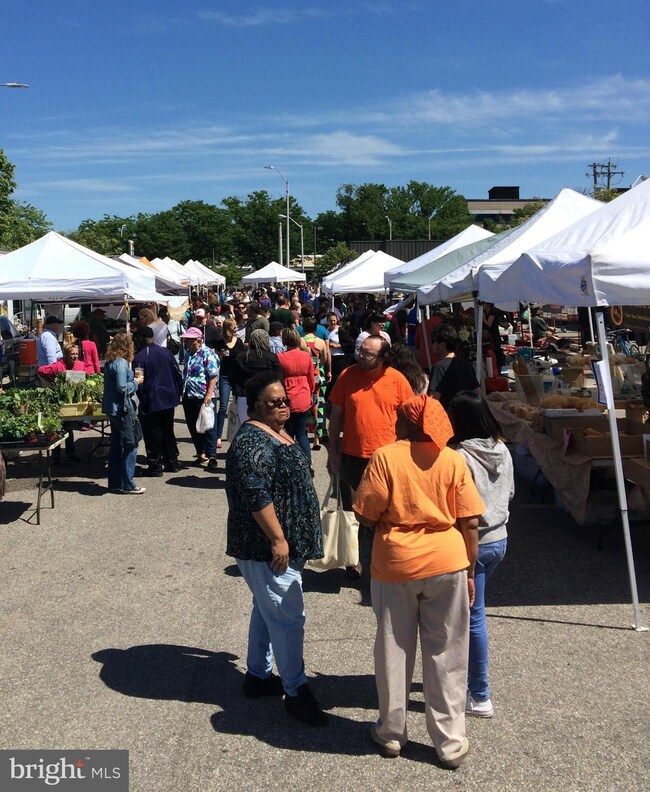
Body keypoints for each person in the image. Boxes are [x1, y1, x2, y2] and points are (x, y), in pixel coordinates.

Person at [353, 394, 484, 769]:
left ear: (408, 423)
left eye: (399, 417)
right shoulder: (453, 459)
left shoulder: (385, 457)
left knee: (393, 650)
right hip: (448, 562)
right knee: (448, 651)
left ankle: (391, 734)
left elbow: (366, 513)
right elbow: (471, 522)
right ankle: (450, 742)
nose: (394, 422)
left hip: (396, 564)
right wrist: (469, 571)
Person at [225, 371, 326, 727]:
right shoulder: (252, 442)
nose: (283, 406)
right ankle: (296, 691)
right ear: (255, 406)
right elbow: (256, 495)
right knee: (286, 617)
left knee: (266, 610)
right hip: (265, 548)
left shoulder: (275, 431)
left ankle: (257, 675)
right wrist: (278, 539)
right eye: (274, 402)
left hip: (278, 546)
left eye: (285, 400)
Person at [448, 391, 514, 719]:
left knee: (473, 617)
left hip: (474, 543)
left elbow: (461, 510)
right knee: (472, 614)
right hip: (500, 538)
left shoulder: (459, 456)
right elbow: (511, 492)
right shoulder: (503, 448)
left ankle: (480, 693)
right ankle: (470, 683)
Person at [328, 336, 414, 578]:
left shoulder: (397, 380)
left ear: (383, 358)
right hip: (352, 456)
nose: (361, 356)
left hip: (387, 460)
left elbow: (409, 418)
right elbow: (336, 416)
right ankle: (353, 560)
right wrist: (332, 451)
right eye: (361, 351)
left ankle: (383, 562)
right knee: (352, 513)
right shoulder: (347, 375)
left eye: (368, 354)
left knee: (386, 513)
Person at [133, 326, 183, 476]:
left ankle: (155, 466)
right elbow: (178, 373)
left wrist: (143, 400)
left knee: (153, 433)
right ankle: (172, 462)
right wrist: (177, 393)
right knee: (168, 431)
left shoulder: (140, 357)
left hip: (152, 400)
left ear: (140, 339)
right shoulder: (166, 352)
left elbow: (139, 381)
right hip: (168, 399)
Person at [102, 332, 145, 494]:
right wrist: (136, 382)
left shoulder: (110, 362)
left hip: (112, 407)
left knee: (116, 445)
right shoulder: (120, 362)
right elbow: (122, 387)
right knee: (130, 443)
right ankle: (128, 484)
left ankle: (115, 483)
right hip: (122, 408)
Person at [180, 326, 219, 469]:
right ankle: (201, 453)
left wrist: (209, 394)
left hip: (204, 395)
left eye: (189, 340)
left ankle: (212, 455)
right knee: (194, 426)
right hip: (189, 394)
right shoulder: (188, 354)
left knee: (208, 425)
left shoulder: (207, 353)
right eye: (186, 340)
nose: (186, 342)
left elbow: (213, 375)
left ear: (198, 340)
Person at [278, 329, 315, 464]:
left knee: (287, 432)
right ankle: (307, 462)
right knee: (301, 432)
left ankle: (290, 463)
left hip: (288, 397)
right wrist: (310, 393)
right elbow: (311, 379)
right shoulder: (306, 356)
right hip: (303, 395)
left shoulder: (280, 357)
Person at [232, 329, 282, 426]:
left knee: (246, 426)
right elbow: (278, 378)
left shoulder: (240, 357)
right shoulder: (271, 357)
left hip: (244, 397)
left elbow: (235, 378)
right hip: (267, 398)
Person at [427, 325, 480, 411]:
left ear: (442, 344)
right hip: (466, 414)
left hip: (447, 415)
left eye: (433, 342)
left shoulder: (439, 367)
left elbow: (433, 400)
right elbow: (477, 393)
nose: (431, 345)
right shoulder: (466, 365)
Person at [214, 318, 245, 449]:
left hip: (237, 377)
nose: (236, 330)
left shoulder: (239, 342)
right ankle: (218, 436)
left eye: (236, 327)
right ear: (227, 329)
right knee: (223, 406)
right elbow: (216, 359)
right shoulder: (220, 343)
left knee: (239, 406)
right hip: (225, 376)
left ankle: (237, 434)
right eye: (234, 327)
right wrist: (220, 356)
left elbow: (243, 358)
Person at [302, 317, 329, 452]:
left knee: (306, 405)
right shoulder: (321, 342)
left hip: (306, 376)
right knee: (319, 405)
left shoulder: (301, 341)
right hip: (318, 374)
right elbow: (324, 359)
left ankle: (305, 434)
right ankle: (317, 438)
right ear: (315, 328)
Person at [324, 312, 353, 398]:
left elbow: (350, 343)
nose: (332, 322)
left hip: (340, 358)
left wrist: (337, 345)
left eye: (334, 320)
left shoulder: (341, 330)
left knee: (339, 378)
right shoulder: (326, 330)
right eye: (330, 321)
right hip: (330, 358)